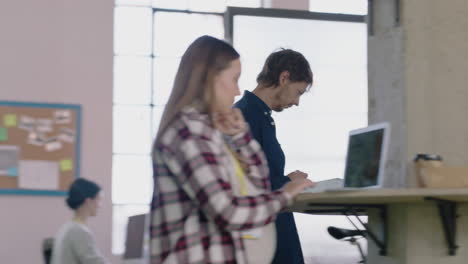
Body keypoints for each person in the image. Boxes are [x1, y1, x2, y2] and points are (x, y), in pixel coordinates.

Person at [150, 36, 314, 264]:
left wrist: (241, 138)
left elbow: (253, 186)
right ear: (210, 79)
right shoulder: (187, 133)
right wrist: (286, 192)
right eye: (234, 79)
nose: (238, 91)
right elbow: (229, 211)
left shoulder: (205, 130)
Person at [234, 49, 313, 264]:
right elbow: (246, 186)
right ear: (284, 78)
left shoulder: (261, 116)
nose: (297, 102)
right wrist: (290, 182)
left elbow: (261, 173)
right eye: (298, 92)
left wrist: (288, 179)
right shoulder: (245, 117)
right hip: (263, 233)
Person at [51, 178, 108, 264]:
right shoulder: (79, 231)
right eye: (99, 200)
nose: (100, 206)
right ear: (88, 201)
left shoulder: (68, 228)